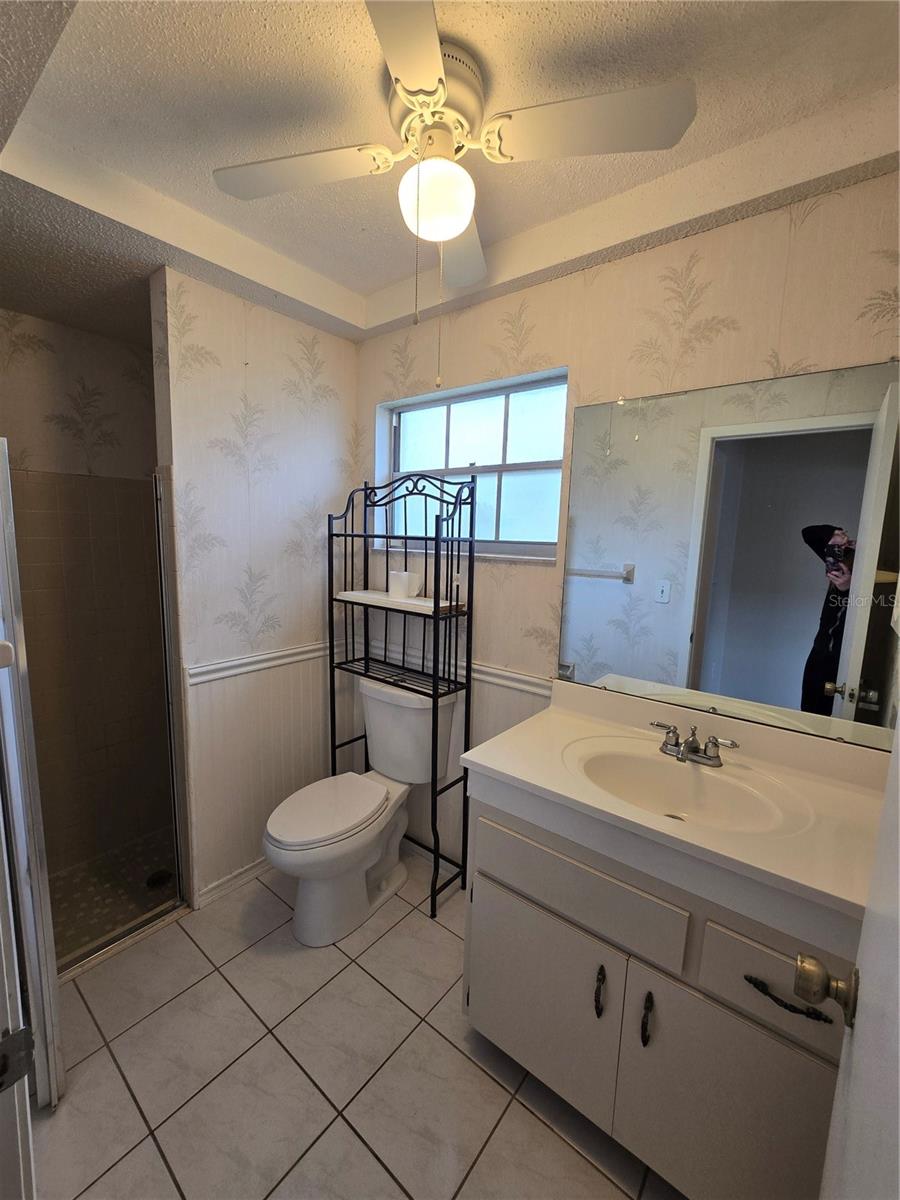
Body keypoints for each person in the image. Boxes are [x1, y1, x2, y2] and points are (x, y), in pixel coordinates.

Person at [800, 525, 854, 715]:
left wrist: (847, 589)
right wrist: (834, 535)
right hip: (819, 655)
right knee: (809, 717)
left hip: (842, 660)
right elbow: (808, 534)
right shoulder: (844, 556)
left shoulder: (865, 566)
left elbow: (860, 614)